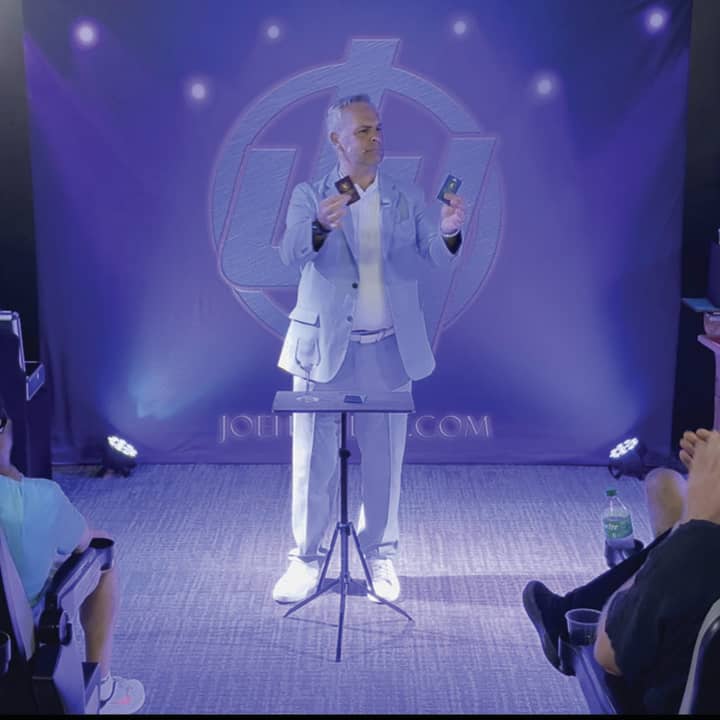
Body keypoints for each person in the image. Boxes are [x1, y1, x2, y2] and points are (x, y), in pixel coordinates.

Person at [272, 94, 466, 604]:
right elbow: (289, 253)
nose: (375, 137)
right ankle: (305, 559)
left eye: (378, 128)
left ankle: (379, 555)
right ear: (336, 140)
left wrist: (449, 232)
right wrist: (319, 226)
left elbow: (435, 255)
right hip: (323, 349)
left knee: (384, 461)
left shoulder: (405, 197)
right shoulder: (310, 196)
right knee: (312, 459)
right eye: (362, 130)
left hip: (388, 350)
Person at [522, 427, 720, 714]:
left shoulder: (700, 547)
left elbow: (608, 652)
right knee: (663, 482)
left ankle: (566, 617)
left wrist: (695, 522)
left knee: (675, 514)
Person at [0, 398, 145, 714]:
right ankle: (102, 690)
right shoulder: (40, 498)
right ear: (4, 434)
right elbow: (85, 542)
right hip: (16, 632)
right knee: (102, 555)